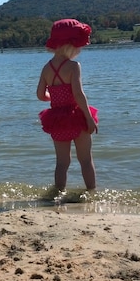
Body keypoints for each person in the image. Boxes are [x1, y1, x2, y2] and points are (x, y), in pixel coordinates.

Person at [37, 18, 99, 193]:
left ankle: (58, 192)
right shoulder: (73, 66)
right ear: (72, 45)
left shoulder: (46, 68)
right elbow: (78, 94)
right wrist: (89, 118)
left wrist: (54, 97)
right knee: (85, 160)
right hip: (76, 117)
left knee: (62, 163)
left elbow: (40, 95)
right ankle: (91, 192)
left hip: (57, 120)